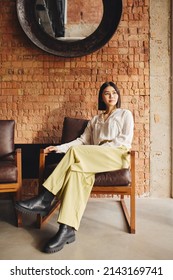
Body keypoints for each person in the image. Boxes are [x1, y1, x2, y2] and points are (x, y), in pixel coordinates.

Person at [15, 81, 134, 254]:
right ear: (102, 97)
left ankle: (45, 198)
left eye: (114, 93)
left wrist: (95, 151)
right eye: (107, 93)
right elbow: (82, 141)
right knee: (77, 172)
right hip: (93, 157)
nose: (111, 96)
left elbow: (124, 140)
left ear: (118, 95)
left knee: (79, 154)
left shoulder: (125, 114)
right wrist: (59, 148)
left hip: (116, 154)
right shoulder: (95, 119)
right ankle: (67, 229)